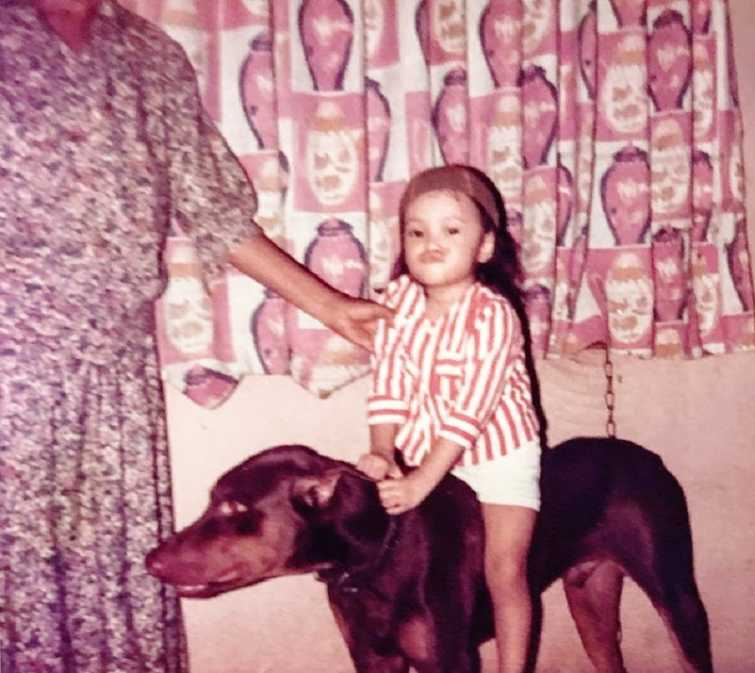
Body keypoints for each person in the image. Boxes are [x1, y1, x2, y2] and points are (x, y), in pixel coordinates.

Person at [0, 1, 390, 671]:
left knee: (117, 593)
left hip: (117, 383)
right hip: (12, 365)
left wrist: (332, 307)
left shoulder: (150, 57)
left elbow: (215, 211)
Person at [357, 165, 542, 673]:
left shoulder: (493, 314)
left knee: (504, 570)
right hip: (426, 453)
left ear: (485, 246)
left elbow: (469, 414)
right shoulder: (397, 301)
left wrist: (419, 483)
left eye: (451, 230)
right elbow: (388, 383)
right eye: (417, 232)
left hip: (499, 454)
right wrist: (382, 451)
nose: (431, 243)